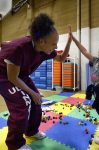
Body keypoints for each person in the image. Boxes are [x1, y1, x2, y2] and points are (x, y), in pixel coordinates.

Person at [0, 13, 72, 150]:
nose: (55, 47)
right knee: (23, 103)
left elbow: (61, 58)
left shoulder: (45, 50)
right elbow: (12, 78)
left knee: (37, 100)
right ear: (41, 41)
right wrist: (32, 93)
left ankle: (31, 131)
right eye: (54, 44)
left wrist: (69, 42)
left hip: (21, 75)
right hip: (4, 76)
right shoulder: (18, 48)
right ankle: (15, 144)